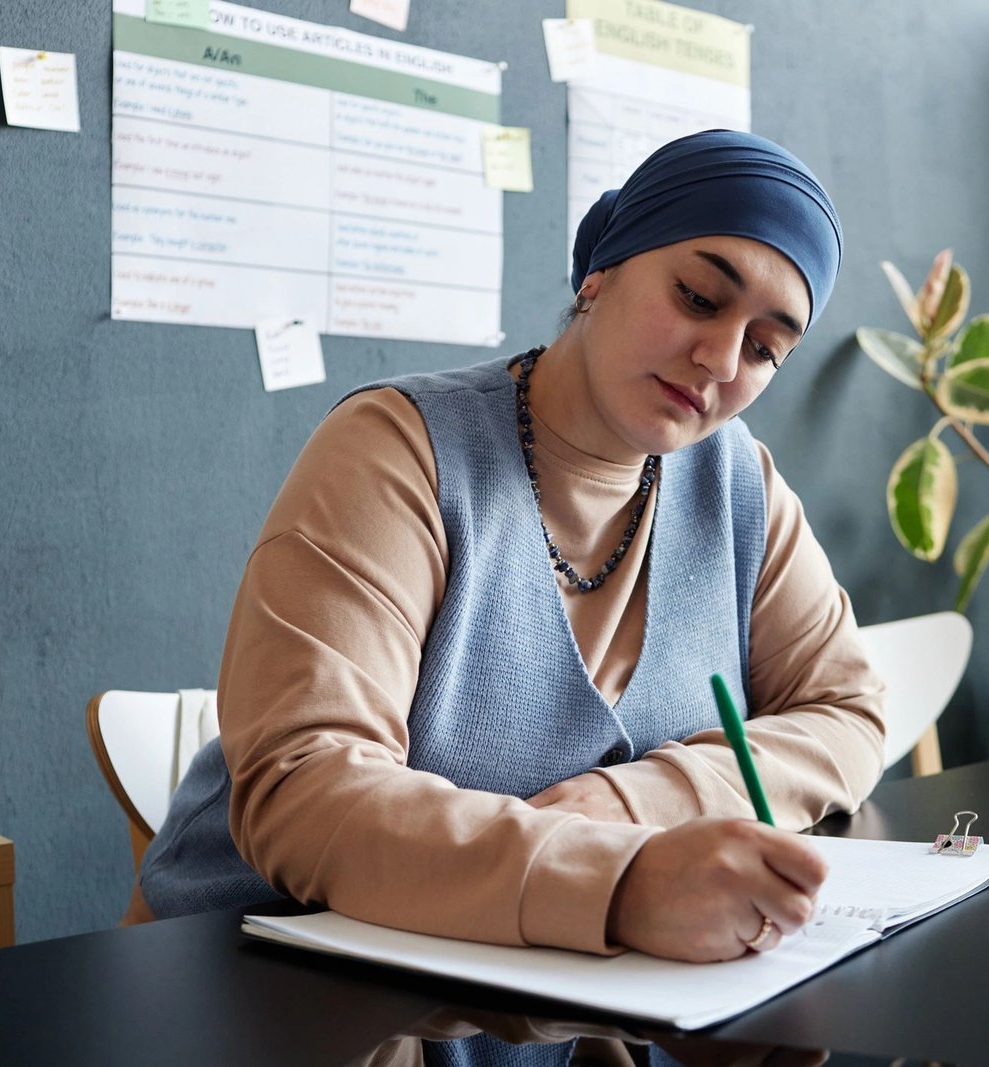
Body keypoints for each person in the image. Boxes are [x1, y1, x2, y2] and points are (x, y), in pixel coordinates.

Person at [128, 129, 886, 965]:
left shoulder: (738, 485)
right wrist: (622, 881)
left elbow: (848, 712)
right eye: (701, 298)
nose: (720, 359)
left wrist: (638, 802)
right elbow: (305, 786)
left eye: (766, 347)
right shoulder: (396, 449)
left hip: (551, 991)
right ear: (601, 268)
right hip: (283, 978)